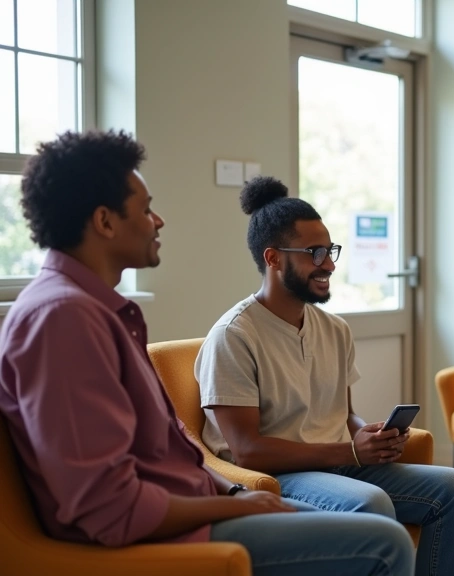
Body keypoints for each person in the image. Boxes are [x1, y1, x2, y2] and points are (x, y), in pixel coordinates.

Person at [0, 130, 414, 575]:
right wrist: (235, 509)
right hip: (163, 537)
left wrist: (236, 495)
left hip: (196, 507)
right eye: (145, 209)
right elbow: (107, 507)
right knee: (383, 542)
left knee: (389, 513)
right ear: (105, 222)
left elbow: (175, 451)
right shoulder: (62, 320)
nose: (158, 221)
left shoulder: (100, 311)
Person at [195, 176, 454, 576]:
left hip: (336, 463)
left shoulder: (334, 329)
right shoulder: (234, 336)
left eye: (330, 250)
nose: (329, 263)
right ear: (273, 258)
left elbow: (343, 415)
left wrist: (370, 436)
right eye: (315, 252)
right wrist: (349, 451)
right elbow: (247, 451)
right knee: (371, 502)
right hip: (277, 476)